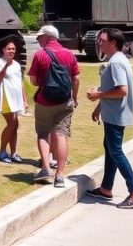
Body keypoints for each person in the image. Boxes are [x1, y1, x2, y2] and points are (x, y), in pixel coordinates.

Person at [85, 28, 133, 208]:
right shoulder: (118, 60)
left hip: (116, 116)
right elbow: (113, 88)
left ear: (112, 42)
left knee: (116, 151)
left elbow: (121, 90)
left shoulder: (116, 63)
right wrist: (99, 106)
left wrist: (98, 94)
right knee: (110, 148)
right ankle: (106, 188)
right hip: (111, 114)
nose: (99, 43)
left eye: (102, 40)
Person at [27, 24, 80, 188]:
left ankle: (45, 168)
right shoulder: (69, 54)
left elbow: (33, 80)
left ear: (48, 36)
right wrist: (75, 97)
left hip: (44, 101)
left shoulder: (40, 55)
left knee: (43, 133)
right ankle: (60, 175)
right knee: (61, 135)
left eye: (40, 37)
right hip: (64, 101)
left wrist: (44, 83)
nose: (38, 40)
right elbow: (76, 78)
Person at [0, 36, 28, 164]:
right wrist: (5, 66)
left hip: (16, 98)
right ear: (3, 50)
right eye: (9, 49)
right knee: (12, 123)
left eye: (13, 49)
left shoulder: (17, 64)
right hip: (5, 97)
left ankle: (13, 153)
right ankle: (2, 151)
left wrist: (25, 100)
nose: (11, 51)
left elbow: (20, 83)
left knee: (15, 125)